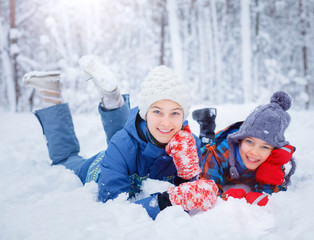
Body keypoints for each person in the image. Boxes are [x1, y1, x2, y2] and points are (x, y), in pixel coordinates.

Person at [23, 56, 218, 220]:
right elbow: (114, 206)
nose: (167, 123)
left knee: (133, 137)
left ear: (183, 116)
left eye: (175, 113)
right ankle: (51, 94)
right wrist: (165, 201)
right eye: (157, 111)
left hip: (129, 153)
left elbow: (189, 191)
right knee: (65, 159)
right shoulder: (122, 145)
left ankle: (112, 99)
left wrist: (188, 174)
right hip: (99, 168)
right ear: (145, 112)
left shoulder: (189, 143)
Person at [199, 91, 296, 206]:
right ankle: (206, 126)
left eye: (264, 147)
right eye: (249, 142)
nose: (254, 152)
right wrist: (229, 199)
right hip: (218, 153)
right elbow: (204, 191)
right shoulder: (217, 155)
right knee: (203, 146)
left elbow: (274, 196)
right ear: (240, 139)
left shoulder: (272, 161)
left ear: (273, 150)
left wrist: (253, 197)